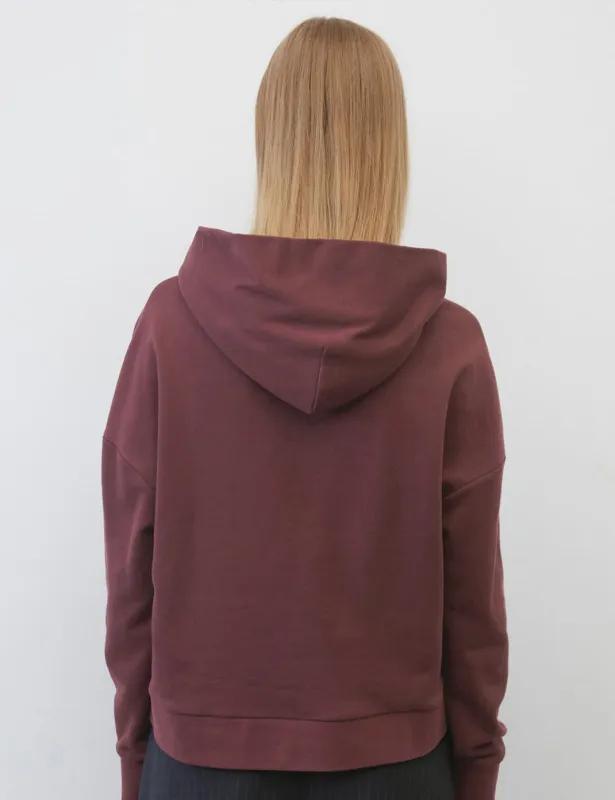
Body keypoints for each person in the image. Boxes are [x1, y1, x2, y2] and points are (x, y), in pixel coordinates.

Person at [102, 16, 508, 800]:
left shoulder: (169, 327)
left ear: (270, 139)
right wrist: (476, 768)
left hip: (197, 763)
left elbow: (130, 578)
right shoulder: (449, 344)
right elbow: (472, 606)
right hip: (396, 766)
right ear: (389, 151)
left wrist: (134, 756)